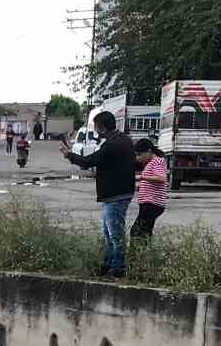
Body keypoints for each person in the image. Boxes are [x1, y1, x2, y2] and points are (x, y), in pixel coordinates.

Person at [61, 110, 136, 277]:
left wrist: (69, 155)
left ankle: (118, 268)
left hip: (115, 195)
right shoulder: (124, 140)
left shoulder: (111, 145)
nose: (95, 130)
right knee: (109, 233)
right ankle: (109, 264)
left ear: (101, 127)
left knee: (114, 234)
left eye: (95, 126)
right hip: (120, 193)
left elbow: (89, 162)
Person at [131, 138, 168, 244]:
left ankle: (136, 257)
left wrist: (141, 177)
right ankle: (143, 256)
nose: (138, 158)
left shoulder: (157, 161)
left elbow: (162, 178)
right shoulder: (152, 162)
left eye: (139, 154)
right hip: (149, 203)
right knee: (145, 232)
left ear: (149, 151)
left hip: (152, 203)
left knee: (137, 232)